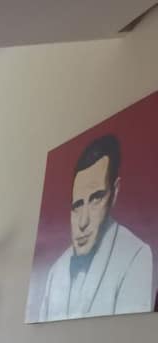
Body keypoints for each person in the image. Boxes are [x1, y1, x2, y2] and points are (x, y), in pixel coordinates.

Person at [38, 134, 155, 321]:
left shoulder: (136, 256)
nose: (83, 222)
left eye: (96, 198)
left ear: (114, 193)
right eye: (77, 205)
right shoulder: (55, 271)